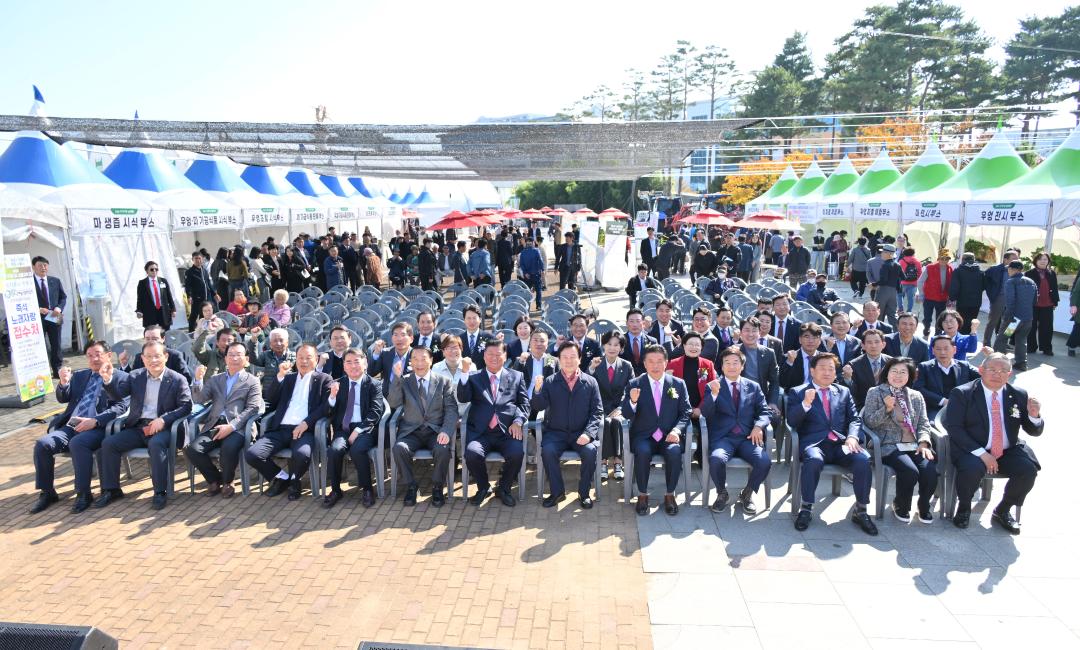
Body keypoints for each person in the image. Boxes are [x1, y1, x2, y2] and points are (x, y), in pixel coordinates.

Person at [945, 353, 1043, 534]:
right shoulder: (963, 393)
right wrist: (983, 454)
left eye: (1003, 371)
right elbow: (955, 429)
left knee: (1028, 470)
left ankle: (1003, 510)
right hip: (972, 448)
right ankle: (964, 507)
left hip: (1008, 448)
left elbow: (1033, 430)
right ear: (981, 370)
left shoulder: (1018, 394)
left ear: (1010, 374)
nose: (998, 374)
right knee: (971, 468)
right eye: (992, 369)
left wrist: (1033, 415)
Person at [29, 341, 129, 514]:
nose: (94, 359)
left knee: (79, 443)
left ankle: (83, 493)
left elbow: (120, 407)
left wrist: (95, 421)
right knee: (42, 444)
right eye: (90, 355)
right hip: (71, 425)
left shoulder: (121, 377)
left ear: (108, 355)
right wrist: (63, 383)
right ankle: (47, 492)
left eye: (98, 354)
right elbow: (64, 398)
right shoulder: (81, 375)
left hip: (98, 427)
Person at [94, 341, 194, 510]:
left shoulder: (177, 379)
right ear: (142, 358)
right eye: (148, 357)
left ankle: (160, 492)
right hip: (138, 427)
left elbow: (186, 406)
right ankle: (111, 490)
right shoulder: (135, 376)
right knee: (108, 444)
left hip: (165, 429)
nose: (153, 360)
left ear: (166, 357)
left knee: (156, 444)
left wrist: (163, 419)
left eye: (157, 356)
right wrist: (108, 379)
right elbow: (119, 394)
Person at [787, 352, 877, 535]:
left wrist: (852, 436)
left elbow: (854, 419)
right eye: (822, 368)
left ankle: (861, 509)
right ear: (812, 371)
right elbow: (792, 422)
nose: (827, 372)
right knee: (813, 460)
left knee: (863, 459)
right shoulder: (798, 391)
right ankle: (806, 507)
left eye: (831, 369)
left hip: (840, 444)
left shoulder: (842, 391)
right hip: (814, 444)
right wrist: (805, 404)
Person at [244, 344, 332, 501]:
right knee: (252, 454)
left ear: (316, 359)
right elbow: (271, 398)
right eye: (300, 358)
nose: (304, 361)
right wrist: (280, 376)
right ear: (295, 359)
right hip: (280, 428)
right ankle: (281, 477)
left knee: (302, 454)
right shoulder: (289, 378)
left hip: (304, 430)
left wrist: (306, 423)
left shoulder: (324, 379)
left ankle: (294, 480)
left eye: (308, 358)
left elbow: (325, 407)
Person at [862, 357, 937, 523]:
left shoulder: (916, 396)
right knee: (910, 471)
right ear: (886, 373)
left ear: (909, 376)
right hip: (889, 445)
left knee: (930, 470)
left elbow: (924, 423)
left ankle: (924, 506)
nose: (898, 375)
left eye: (903, 372)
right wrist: (887, 408)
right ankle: (901, 505)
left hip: (914, 444)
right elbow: (869, 422)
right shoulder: (875, 392)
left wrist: (924, 442)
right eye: (894, 371)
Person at [184, 342, 264, 498]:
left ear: (246, 359)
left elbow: (253, 408)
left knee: (228, 449)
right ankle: (215, 479)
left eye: (238, 355)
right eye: (231, 355)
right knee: (192, 449)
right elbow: (199, 399)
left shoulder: (252, 381)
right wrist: (198, 380)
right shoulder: (216, 379)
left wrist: (232, 426)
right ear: (225, 358)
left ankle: (228, 482)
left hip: (239, 427)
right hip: (215, 424)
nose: (234, 358)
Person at [531, 341, 604, 508]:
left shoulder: (591, 382)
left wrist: (588, 433)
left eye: (573, 357)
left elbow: (597, 412)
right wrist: (537, 390)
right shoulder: (550, 381)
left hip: (581, 432)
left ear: (580, 359)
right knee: (547, 451)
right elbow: (538, 407)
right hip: (556, 433)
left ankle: (584, 492)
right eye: (564, 357)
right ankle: (557, 492)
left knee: (591, 451)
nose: (568, 360)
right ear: (559, 359)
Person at [457, 341, 530, 507]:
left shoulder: (516, 376)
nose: (494, 358)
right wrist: (464, 373)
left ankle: (504, 488)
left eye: (498, 354)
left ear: (505, 357)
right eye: (490, 354)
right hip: (481, 433)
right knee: (471, 453)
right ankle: (483, 487)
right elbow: (463, 397)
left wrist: (518, 421)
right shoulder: (474, 377)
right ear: (484, 356)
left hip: (507, 431)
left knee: (517, 454)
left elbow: (524, 404)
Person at [623, 345, 691, 516]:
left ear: (666, 363)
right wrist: (632, 401)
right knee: (643, 452)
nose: (655, 365)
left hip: (669, 434)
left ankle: (669, 495)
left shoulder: (678, 384)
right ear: (644, 364)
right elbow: (626, 413)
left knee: (674, 452)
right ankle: (643, 495)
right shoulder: (635, 384)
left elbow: (686, 412)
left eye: (659, 361)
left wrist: (677, 430)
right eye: (651, 361)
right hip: (644, 436)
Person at [702, 347, 772, 515]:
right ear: (722, 366)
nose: (731, 366)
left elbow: (765, 411)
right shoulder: (713, 385)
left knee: (764, 461)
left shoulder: (753, 387)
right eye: (727, 363)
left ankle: (747, 493)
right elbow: (706, 413)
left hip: (747, 437)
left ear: (742, 366)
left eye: (735, 363)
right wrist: (713, 395)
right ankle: (722, 493)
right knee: (717, 459)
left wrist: (758, 426)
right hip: (723, 438)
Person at [387, 347, 457, 507]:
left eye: (423, 358)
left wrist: (446, 431)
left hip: (435, 431)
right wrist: (396, 378)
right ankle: (411, 485)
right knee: (399, 449)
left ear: (431, 360)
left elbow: (452, 409)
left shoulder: (443, 381)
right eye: (415, 359)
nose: (419, 363)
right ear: (410, 362)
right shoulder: (404, 380)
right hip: (411, 431)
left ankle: (438, 486)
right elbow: (394, 403)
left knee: (442, 449)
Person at [587, 331, 633, 482]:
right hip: (600, 408)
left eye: (616, 345)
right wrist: (591, 370)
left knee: (618, 421)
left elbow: (630, 391)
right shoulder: (596, 363)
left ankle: (618, 462)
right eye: (609, 344)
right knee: (604, 422)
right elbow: (587, 387)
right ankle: (602, 463)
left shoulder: (627, 366)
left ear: (621, 348)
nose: (612, 348)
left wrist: (621, 408)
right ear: (603, 345)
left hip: (619, 408)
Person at [914, 335, 979, 421]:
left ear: (954, 350)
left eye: (946, 348)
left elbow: (984, 376)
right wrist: (943, 401)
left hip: (962, 407)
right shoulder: (925, 367)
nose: (942, 352)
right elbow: (918, 388)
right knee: (935, 428)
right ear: (933, 351)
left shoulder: (964, 366)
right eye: (938, 349)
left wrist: (989, 357)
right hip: (935, 409)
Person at [994, 260, 1037, 371]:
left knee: (1002, 339)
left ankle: (998, 362)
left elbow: (1010, 301)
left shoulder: (1011, 282)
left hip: (1014, 319)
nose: (1008, 270)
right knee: (1021, 340)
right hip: (1028, 318)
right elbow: (1034, 301)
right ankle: (1022, 363)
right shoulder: (1031, 282)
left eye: (1009, 268)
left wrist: (1007, 317)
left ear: (1013, 269)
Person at [737, 317, 781, 419]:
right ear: (740, 333)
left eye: (754, 330)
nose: (751, 334)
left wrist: (772, 402)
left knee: (774, 416)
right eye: (747, 330)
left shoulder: (769, 353)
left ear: (759, 333)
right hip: (738, 398)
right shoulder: (734, 351)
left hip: (761, 398)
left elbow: (774, 381)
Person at [32, 256, 67, 377]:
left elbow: (63, 297)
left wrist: (58, 308)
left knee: (56, 344)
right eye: (40, 265)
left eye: (45, 265)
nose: (43, 267)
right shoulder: (29, 283)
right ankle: (41, 372)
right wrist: (37, 309)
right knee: (39, 345)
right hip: (38, 317)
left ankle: (57, 369)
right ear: (34, 267)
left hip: (55, 315)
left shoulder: (55, 281)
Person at [120, 325, 192, 382]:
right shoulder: (140, 357)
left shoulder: (175, 356)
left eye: (155, 339)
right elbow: (132, 380)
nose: (151, 342)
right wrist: (124, 365)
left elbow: (186, 380)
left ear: (163, 339)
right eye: (147, 339)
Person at [841, 329, 891, 410]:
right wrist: (847, 379)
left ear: (883, 344)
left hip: (888, 407)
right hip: (863, 408)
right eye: (869, 342)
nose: (873, 345)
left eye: (877, 342)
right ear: (863, 345)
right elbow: (852, 393)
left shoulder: (892, 363)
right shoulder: (853, 365)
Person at [512, 330, 556, 419]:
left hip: (545, 400)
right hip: (525, 399)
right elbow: (514, 379)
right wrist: (521, 362)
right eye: (535, 340)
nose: (539, 343)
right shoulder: (522, 359)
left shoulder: (552, 360)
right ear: (530, 343)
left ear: (547, 344)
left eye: (542, 341)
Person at [1025, 252, 1060, 356]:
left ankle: (1046, 348)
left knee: (1047, 327)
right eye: (1040, 259)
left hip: (1048, 304)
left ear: (1048, 261)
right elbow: (1026, 290)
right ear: (1036, 261)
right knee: (1031, 327)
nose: (1043, 261)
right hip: (1033, 304)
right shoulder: (1029, 273)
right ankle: (1031, 347)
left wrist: (1055, 302)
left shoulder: (1052, 273)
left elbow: (1055, 288)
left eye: (1045, 259)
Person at [983, 250, 1018, 347]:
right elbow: (985, 281)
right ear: (1005, 259)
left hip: (1013, 300)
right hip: (999, 298)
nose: (1016, 261)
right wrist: (992, 294)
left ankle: (1003, 342)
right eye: (1013, 259)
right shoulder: (995, 269)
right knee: (993, 321)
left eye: (1017, 259)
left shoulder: (1017, 270)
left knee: (1012, 323)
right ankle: (986, 343)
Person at [781, 323, 829, 390]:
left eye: (814, 337)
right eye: (807, 337)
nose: (811, 341)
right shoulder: (789, 357)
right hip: (797, 396)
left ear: (820, 341)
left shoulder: (825, 359)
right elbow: (782, 382)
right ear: (800, 340)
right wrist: (789, 362)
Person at [947, 252, 985, 336]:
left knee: (961, 322)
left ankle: (961, 341)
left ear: (963, 259)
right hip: (976, 302)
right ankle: (969, 340)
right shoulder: (980, 272)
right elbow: (984, 286)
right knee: (972, 323)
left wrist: (952, 297)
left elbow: (954, 287)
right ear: (974, 259)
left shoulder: (958, 271)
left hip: (963, 301)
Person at [370, 322, 414, 388]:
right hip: (387, 394)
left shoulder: (416, 355)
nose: (399, 339)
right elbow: (371, 372)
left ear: (411, 339)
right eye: (395, 335)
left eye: (403, 335)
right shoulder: (385, 353)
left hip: (408, 395)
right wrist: (376, 353)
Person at [184, 251, 219, 331]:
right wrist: (189, 296)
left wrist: (215, 294)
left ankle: (204, 330)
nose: (198, 260)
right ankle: (191, 332)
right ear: (192, 259)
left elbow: (209, 284)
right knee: (194, 315)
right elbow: (187, 286)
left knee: (204, 315)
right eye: (196, 258)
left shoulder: (204, 271)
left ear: (202, 259)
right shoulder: (189, 272)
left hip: (207, 297)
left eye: (199, 258)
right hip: (197, 298)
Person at [620, 308, 658, 374]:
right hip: (625, 380)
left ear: (643, 323)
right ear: (627, 323)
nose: (635, 325)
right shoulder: (620, 340)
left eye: (638, 321)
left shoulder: (652, 341)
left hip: (646, 379)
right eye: (631, 321)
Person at [874, 244, 902, 327]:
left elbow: (883, 280)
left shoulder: (885, 265)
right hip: (893, 291)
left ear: (889, 254)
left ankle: (879, 331)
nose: (881, 254)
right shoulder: (897, 264)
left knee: (879, 313)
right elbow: (904, 277)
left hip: (883, 290)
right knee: (892, 314)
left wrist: (873, 285)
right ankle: (898, 332)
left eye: (883, 252)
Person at [518, 238, 545, 310]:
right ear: (533, 243)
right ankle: (538, 305)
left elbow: (521, 264)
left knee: (527, 291)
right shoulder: (536, 251)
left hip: (527, 275)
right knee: (538, 290)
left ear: (526, 243)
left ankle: (527, 306)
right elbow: (540, 261)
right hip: (536, 273)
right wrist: (543, 270)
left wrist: (525, 273)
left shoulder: (523, 252)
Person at [897, 247, 922, 313]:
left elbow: (898, 272)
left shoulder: (901, 261)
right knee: (910, 298)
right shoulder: (917, 262)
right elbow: (920, 273)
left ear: (904, 253)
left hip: (902, 282)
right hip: (913, 283)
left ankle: (900, 309)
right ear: (913, 253)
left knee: (900, 296)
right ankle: (909, 311)